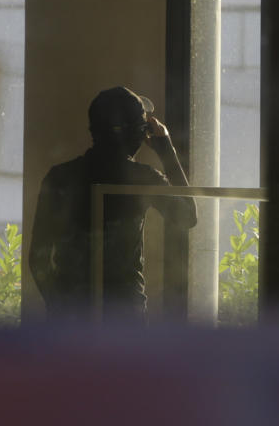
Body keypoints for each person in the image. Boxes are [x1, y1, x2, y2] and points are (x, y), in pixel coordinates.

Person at [29, 86, 197, 322]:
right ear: (140, 134)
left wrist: (59, 307)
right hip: (124, 317)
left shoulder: (60, 177)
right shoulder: (142, 179)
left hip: (70, 316)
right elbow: (187, 217)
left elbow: (37, 257)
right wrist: (166, 149)